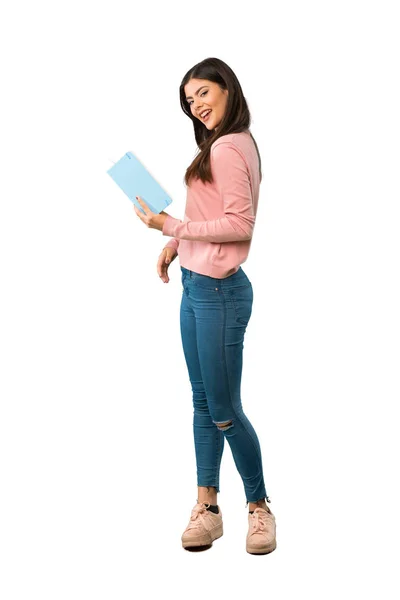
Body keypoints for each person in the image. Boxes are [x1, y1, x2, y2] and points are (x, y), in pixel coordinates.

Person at [133, 57, 276, 555]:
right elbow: (208, 214)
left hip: (220, 294)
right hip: (196, 287)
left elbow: (240, 224)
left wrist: (173, 227)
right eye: (189, 101)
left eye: (203, 93)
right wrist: (178, 245)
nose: (196, 106)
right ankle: (207, 509)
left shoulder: (233, 147)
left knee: (223, 409)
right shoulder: (217, 145)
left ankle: (259, 509)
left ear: (226, 88)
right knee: (202, 403)